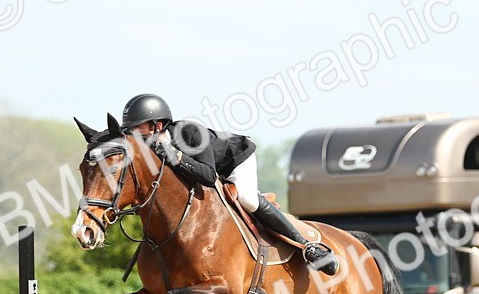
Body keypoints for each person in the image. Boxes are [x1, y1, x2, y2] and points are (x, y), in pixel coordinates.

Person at [119, 93, 338, 275]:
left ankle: (307, 247)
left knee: (247, 199)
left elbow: (207, 175)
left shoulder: (190, 132)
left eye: (136, 129)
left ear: (157, 125)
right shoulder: (150, 149)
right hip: (204, 169)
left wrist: (177, 157)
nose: (133, 135)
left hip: (234, 161)